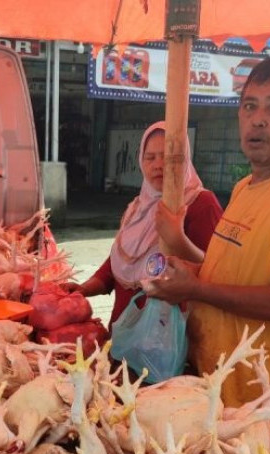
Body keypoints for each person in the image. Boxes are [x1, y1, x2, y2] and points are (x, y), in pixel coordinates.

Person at [145, 54, 270, 407]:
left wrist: (197, 288)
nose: (258, 120)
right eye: (249, 106)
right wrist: (187, 260)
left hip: (259, 400)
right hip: (214, 380)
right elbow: (231, 270)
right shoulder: (245, 187)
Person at [71, 121, 223, 329]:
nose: (158, 165)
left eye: (168, 158)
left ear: (184, 160)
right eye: (150, 157)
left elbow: (215, 273)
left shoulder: (201, 204)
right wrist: (83, 289)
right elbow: (120, 260)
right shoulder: (138, 206)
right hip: (123, 335)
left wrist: (177, 240)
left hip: (169, 343)